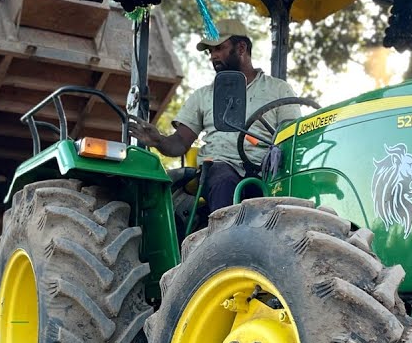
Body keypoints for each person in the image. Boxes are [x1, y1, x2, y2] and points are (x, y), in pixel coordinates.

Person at [128, 19, 301, 212]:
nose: (213, 56)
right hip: (219, 167)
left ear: (241, 48)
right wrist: (159, 140)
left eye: (219, 48)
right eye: (210, 51)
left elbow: (293, 138)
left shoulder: (279, 89)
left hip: (267, 172)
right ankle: (224, 230)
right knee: (224, 180)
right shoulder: (203, 95)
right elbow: (180, 142)